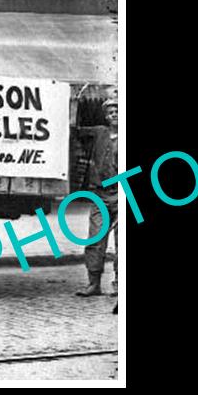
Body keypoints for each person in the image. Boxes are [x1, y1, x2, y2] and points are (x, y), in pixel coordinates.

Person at [76, 95, 119, 301]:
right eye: (110, 112)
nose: (114, 115)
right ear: (105, 116)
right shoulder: (99, 133)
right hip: (99, 194)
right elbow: (76, 131)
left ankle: (120, 284)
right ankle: (93, 283)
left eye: (118, 111)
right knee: (95, 238)